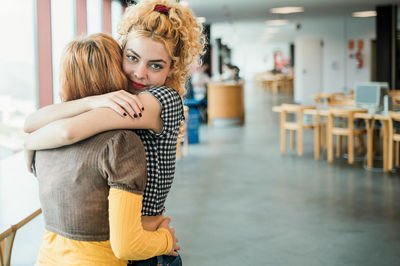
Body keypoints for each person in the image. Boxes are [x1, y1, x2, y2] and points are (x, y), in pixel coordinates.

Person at [24, 0, 205, 265]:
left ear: (172, 70)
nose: (140, 73)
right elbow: (32, 121)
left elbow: (65, 131)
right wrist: (92, 101)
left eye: (156, 65)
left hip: (147, 251)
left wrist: (30, 142)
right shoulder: (120, 98)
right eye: (132, 58)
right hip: (123, 250)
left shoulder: (160, 99)